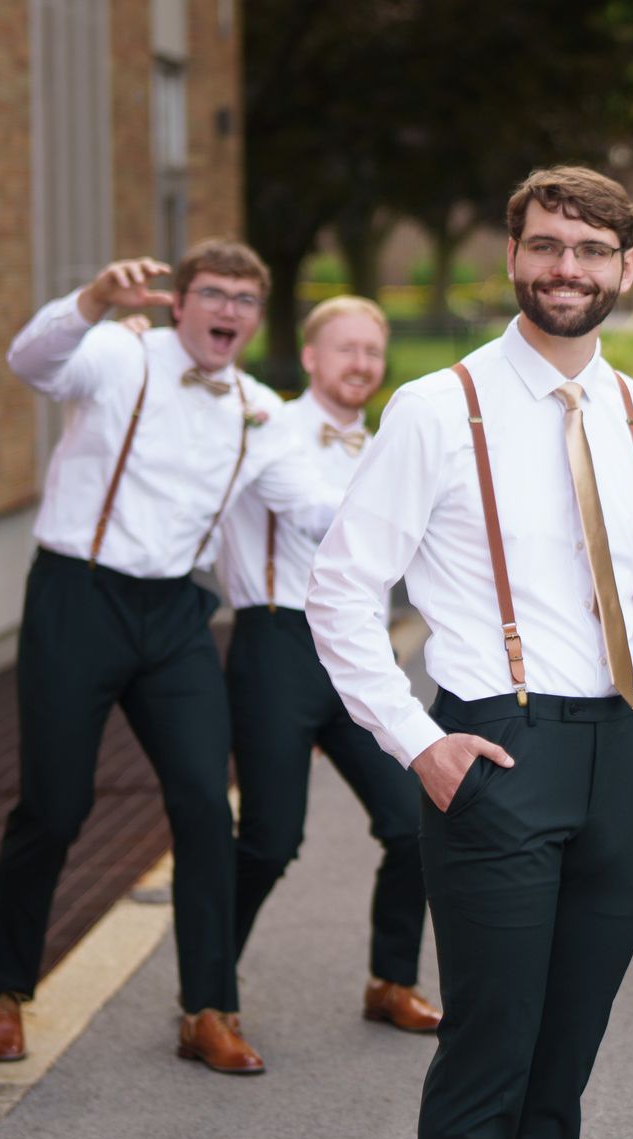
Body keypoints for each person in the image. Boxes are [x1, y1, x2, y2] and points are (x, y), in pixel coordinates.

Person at [306, 166, 633, 1139]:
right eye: (544, 246)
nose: (564, 269)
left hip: (623, 754)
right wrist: (417, 741)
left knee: (560, 1078)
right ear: (513, 258)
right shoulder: (437, 408)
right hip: (496, 750)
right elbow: (339, 590)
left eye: (587, 250)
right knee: (488, 1067)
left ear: (625, 266)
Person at [0, 241, 340, 1075]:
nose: (230, 310)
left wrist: (416, 499)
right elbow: (29, 361)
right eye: (213, 293)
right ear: (180, 303)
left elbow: (316, 509)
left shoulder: (257, 407)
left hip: (175, 614)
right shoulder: (117, 354)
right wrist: (92, 299)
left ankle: (207, 1009)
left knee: (208, 810)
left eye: (246, 299)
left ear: (255, 316)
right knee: (56, 807)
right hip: (79, 595)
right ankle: (4, 991)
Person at [212, 295, 440, 1034]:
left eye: (373, 352)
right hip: (279, 642)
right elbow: (322, 516)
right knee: (271, 838)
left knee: (414, 822)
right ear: (310, 357)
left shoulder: (378, 445)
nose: (361, 365)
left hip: (360, 653)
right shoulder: (271, 432)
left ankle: (391, 980)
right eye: (346, 349)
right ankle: (209, 995)